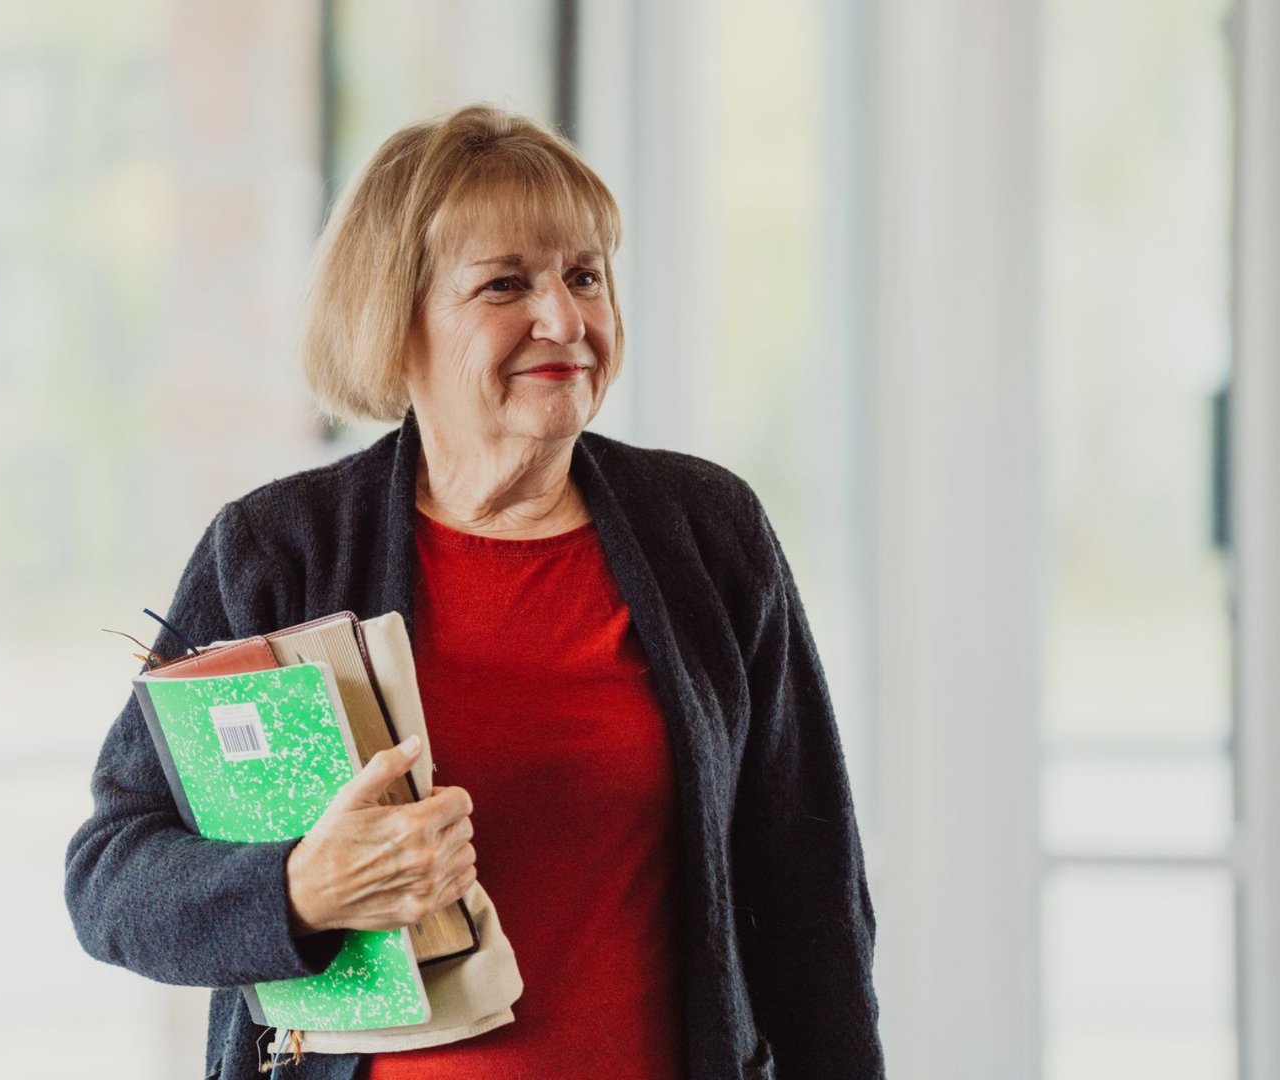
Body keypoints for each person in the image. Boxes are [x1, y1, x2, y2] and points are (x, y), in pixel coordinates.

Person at [64, 103, 883, 1080]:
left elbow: (812, 902)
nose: (565, 319)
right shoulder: (279, 551)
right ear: (394, 319)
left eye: (585, 275)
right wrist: (299, 890)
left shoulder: (708, 532)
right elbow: (111, 875)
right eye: (506, 284)